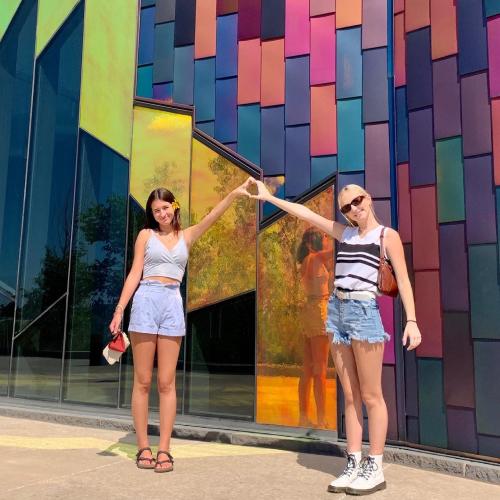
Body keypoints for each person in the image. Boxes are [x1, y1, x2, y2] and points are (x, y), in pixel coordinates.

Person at [246, 179, 421, 495]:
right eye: (346, 207)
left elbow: (404, 282)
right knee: (350, 395)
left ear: (367, 198)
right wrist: (267, 197)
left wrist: (411, 320)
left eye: (357, 201)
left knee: (371, 395)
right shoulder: (346, 233)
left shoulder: (386, 236)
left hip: (364, 312)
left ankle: (375, 465)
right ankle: (353, 462)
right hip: (336, 311)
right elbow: (304, 214)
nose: (354, 208)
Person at [109, 180, 251, 472]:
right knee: (143, 380)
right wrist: (120, 308)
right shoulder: (145, 236)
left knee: (166, 382)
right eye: (155, 210)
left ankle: (164, 449)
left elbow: (213, 217)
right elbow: (135, 272)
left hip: (172, 304)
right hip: (146, 301)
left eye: (165, 208)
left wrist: (235, 193)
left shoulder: (186, 236)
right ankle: (142, 447)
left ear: (174, 207)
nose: (161, 213)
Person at [296, 228, 333, 428]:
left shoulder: (307, 261)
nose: (326, 239)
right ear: (312, 243)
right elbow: (339, 250)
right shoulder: (315, 257)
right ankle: (321, 419)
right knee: (320, 369)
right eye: (323, 237)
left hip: (309, 310)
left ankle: (303, 416)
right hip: (319, 310)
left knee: (308, 369)